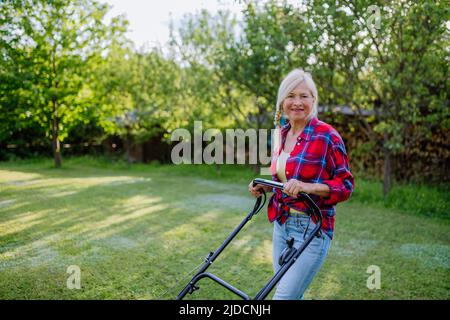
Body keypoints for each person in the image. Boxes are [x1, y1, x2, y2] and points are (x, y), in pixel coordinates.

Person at [248, 69, 354, 300]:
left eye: (304, 96)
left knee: (283, 298)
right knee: (291, 295)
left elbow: (346, 186)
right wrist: (264, 186)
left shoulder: (327, 135)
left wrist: (307, 187)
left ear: (313, 100)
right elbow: (279, 179)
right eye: (291, 96)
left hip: (312, 228)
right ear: (282, 102)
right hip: (281, 224)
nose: (297, 102)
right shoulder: (280, 134)